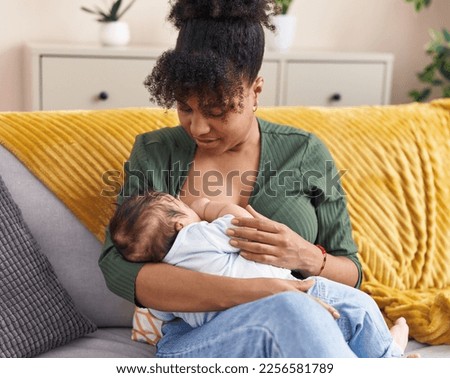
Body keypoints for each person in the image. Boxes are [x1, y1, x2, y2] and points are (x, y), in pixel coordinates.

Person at [99, 0, 410, 357]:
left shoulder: (305, 153)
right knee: (293, 310)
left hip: (312, 322)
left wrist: (305, 256)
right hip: (206, 337)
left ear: (255, 91)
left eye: (217, 110)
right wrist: (265, 290)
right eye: (185, 107)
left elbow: (351, 272)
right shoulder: (155, 153)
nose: (197, 127)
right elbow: (118, 267)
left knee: (333, 309)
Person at [108, 190, 408, 358]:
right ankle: (388, 356)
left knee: (317, 313)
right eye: (179, 204)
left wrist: (303, 253)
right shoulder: (198, 235)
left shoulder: (166, 270)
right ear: (178, 225)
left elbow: (155, 315)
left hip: (223, 330)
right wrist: (210, 205)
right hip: (275, 304)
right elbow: (244, 224)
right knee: (359, 305)